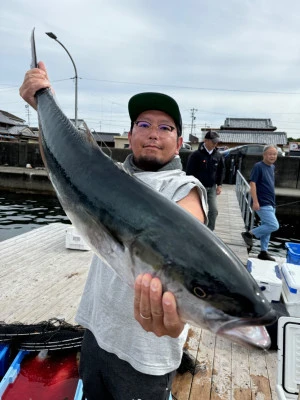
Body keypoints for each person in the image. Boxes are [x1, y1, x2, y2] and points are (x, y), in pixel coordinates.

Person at [20, 63, 208, 400]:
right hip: (95, 331)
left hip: (145, 354)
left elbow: (187, 234)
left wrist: (178, 315)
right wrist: (43, 103)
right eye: (143, 124)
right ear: (131, 134)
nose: (153, 132)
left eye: (165, 127)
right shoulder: (109, 176)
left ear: (179, 142)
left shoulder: (184, 188)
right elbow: (68, 153)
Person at [241, 144, 279, 261]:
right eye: (270, 154)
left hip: (271, 203)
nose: (272, 156)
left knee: (267, 228)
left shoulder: (272, 167)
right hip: (262, 202)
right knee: (273, 225)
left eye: (274, 154)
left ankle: (263, 251)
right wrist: (255, 201)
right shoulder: (258, 166)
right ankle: (249, 234)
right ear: (264, 155)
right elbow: (253, 184)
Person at [186, 131, 225, 231]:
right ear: (206, 141)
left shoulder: (218, 155)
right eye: (213, 142)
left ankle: (209, 231)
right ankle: (195, 230)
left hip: (211, 187)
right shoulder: (196, 155)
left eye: (216, 142)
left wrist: (219, 185)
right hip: (198, 187)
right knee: (197, 210)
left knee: (213, 210)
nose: (215, 144)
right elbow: (189, 172)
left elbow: (221, 171)